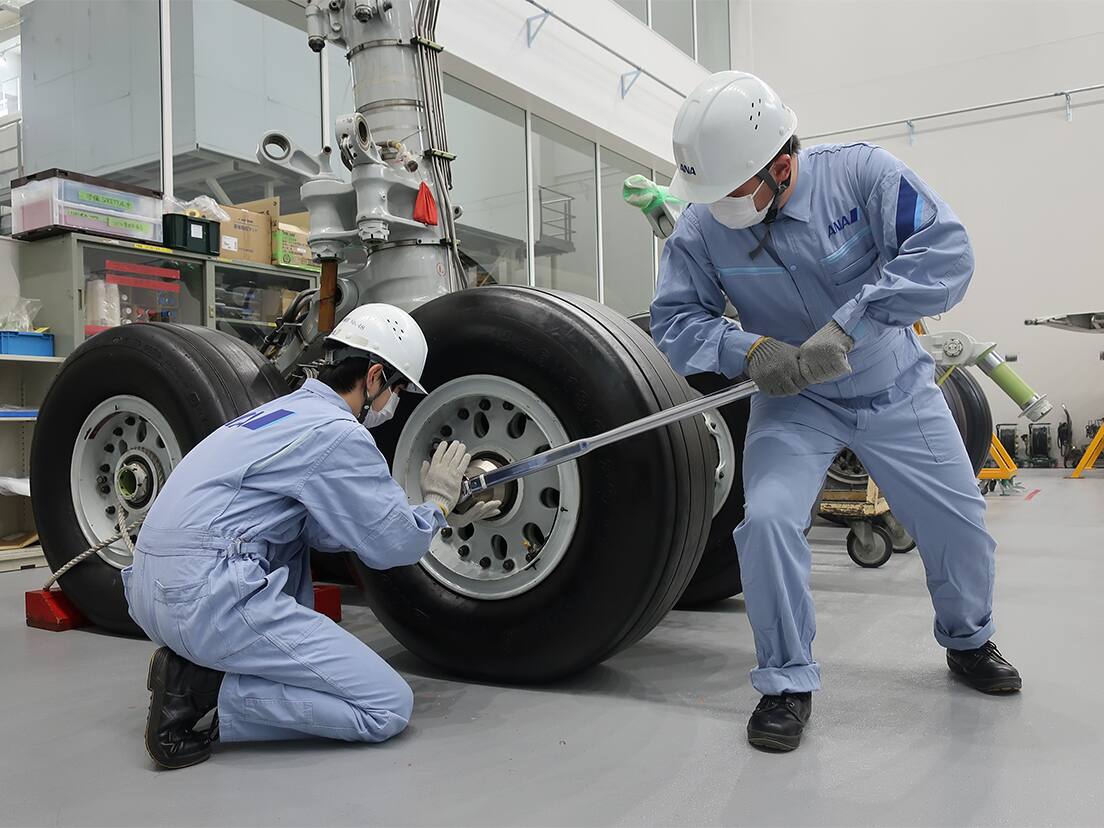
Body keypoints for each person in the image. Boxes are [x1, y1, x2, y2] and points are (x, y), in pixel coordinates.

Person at [651, 71, 1021, 753]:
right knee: (767, 522)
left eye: (730, 189)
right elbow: (676, 320)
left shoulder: (862, 176)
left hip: (894, 387)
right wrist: (747, 349)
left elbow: (945, 252)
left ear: (781, 165)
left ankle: (968, 640)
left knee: (959, 520)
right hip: (795, 402)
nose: (716, 206)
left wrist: (853, 324)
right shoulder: (704, 225)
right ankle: (785, 681)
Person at [123, 303, 501, 769]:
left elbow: (324, 529)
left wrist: (415, 513)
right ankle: (201, 692)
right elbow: (392, 545)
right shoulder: (338, 433)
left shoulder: (279, 414)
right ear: (375, 376)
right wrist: (438, 505)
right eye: (398, 389)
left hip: (150, 594)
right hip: (205, 600)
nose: (395, 403)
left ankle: (196, 670)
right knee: (386, 707)